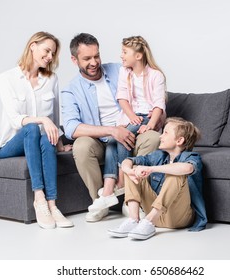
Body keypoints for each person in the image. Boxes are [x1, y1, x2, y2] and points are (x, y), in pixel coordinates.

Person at [61, 33, 161, 222]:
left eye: (96, 56)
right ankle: (101, 200)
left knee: (154, 138)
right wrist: (112, 130)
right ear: (74, 60)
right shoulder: (71, 89)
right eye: (87, 58)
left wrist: (154, 116)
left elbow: (148, 83)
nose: (94, 62)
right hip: (102, 140)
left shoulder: (120, 70)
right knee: (81, 145)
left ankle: (131, 201)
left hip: (133, 132)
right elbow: (71, 128)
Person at [0, 31, 73, 229]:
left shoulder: (51, 79)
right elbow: (15, 120)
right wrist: (42, 120)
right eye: (47, 51)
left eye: (53, 54)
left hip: (39, 141)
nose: (50, 57)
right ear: (32, 46)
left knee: (47, 137)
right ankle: (39, 197)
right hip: (12, 144)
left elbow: (55, 118)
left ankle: (52, 205)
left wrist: (60, 144)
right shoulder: (6, 78)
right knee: (32, 127)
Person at [87, 35, 167, 214]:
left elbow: (158, 104)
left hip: (149, 116)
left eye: (125, 52)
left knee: (122, 136)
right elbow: (122, 97)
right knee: (112, 140)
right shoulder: (125, 72)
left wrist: (151, 124)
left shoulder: (156, 75)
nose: (121, 56)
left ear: (138, 56)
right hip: (132, 117)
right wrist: (131, 116)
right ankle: (109, 190)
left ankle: (121, 180)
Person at [108, 117, 207, 240]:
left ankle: (149, 221)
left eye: (165, 133)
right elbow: (128, 161)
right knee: (133, 168)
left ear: (179, 140)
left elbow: (187, 169)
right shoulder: (158, 156)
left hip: (178, 218)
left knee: (175, 173)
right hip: (155, 215)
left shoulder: (191, 157)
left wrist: (151, 169)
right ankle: (134, 220)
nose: (160, 136)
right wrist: (129, 171)